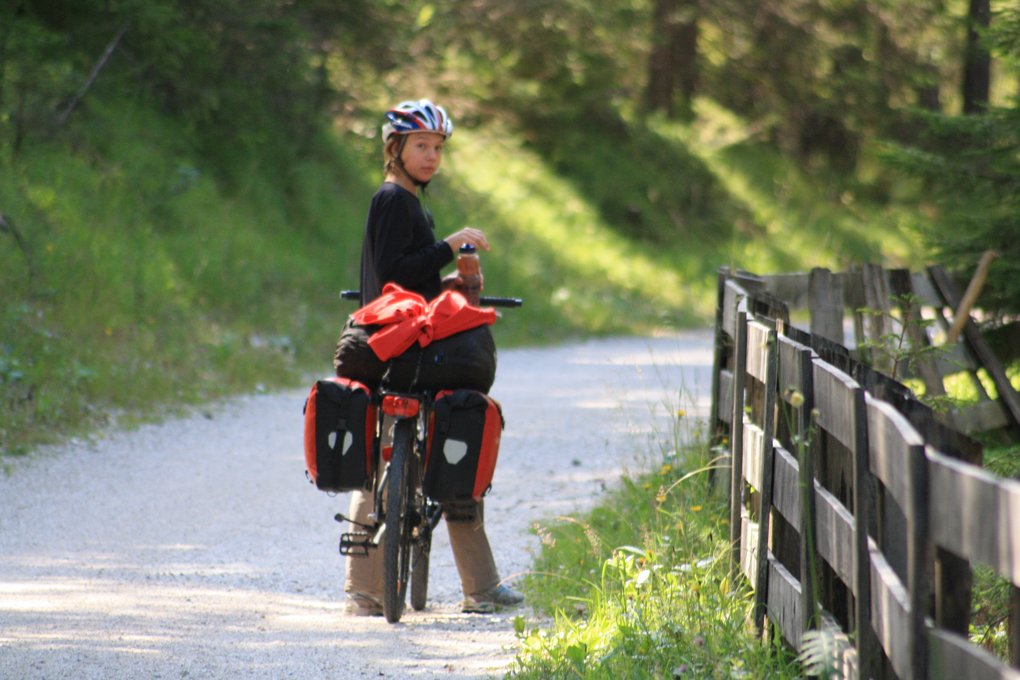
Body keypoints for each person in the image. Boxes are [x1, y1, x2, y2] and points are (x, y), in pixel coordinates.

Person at [344, 98, 523, 616]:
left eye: (438, 147)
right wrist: (450, 243)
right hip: (401, 344)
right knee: (454, 440)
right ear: (394, 149)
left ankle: (363, 591)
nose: (431, 156)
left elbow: (407, 280)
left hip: (393, 342)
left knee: (377, 465)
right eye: (421, 145)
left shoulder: (406, 203)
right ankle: (481, 588)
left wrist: (450, 283)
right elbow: (397, 273)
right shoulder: (392, 200)